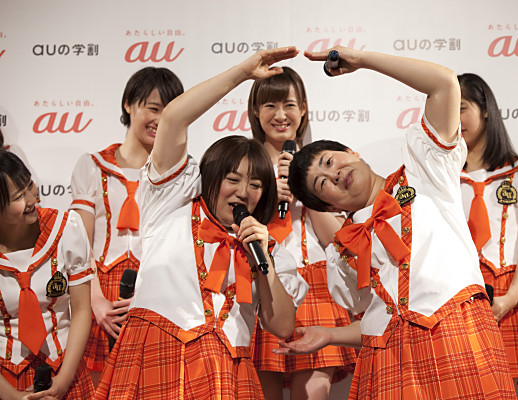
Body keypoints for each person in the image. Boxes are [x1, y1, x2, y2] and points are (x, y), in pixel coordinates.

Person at [280, 47, 517, 399]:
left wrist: (363, 61)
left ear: (352, 152)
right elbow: (379, 315)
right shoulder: (343, 252)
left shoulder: (424, 169)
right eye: (321, 183)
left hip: (458, 337)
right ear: (328, 205)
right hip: (387, 361)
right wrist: (331, 335)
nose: (334, 175)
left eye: (330, 162)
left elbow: (443, 83)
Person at [93, 46, 309, 399]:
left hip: (225, 372)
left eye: (256, 184)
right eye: (233, 179)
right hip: (154, 358)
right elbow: (173, 118)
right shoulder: (170, 201)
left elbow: (282, 325)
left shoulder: (267, 249)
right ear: (210, 179)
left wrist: (264, 261)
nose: (244, 192)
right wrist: (242, 73)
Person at [69, 67, 183, 382]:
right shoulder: (92, 166)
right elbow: (79, 243)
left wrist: (152, 294)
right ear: (128, 104)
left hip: (156, 292)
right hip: (99, 292)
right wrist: (95, 301)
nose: (160, 120)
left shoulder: (178, 175)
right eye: (153, 108)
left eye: (170, 112)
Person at [247, 67, 356, 399]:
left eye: (289, 105)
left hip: (317, 285)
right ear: (255, 111)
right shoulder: (245, 164)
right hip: (265, 282)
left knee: (313, 393)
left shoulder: (321, 163)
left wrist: (304, 189)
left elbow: (338, 240)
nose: (281, 115)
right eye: (270, 105)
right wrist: (267, 197)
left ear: (304, 108)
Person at [458, 73, 518, 391]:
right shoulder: (442, 178)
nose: (454, 119)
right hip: (457, 291)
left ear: (485, 110)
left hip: (508, 290)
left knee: (502, 390)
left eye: (461, 108)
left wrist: (510, 298)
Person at [0, 150, 94, 399]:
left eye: (29, 185)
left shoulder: (66, 228)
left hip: (65, 370)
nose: (32, 199)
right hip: (6, 380)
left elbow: (82, 310)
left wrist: (63, 381)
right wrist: (15, 397)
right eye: (19, 196)